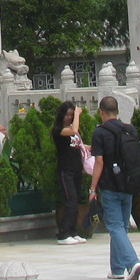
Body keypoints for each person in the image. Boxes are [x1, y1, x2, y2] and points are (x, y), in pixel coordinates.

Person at [88, 94, 140, 280]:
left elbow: (99, 162)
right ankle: (117, 268)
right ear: (118, 111)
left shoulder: (100, 133)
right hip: (128, 185)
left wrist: (93, 188)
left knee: (114, 226)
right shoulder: (129, 130)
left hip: (110, 186)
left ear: (101, 112)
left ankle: (132, 263)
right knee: (121, 226)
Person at [52, 100, 86, 245]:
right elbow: (72, 131)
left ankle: (73, 231)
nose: (70, 118)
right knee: (70, 201)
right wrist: (77, 114)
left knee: (76, 201)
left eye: (72, 115)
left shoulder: (74, 130)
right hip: (66, 171)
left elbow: (80, 145)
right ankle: (63, 233)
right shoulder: (59, 130)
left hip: (77, 169)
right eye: (68, 115)